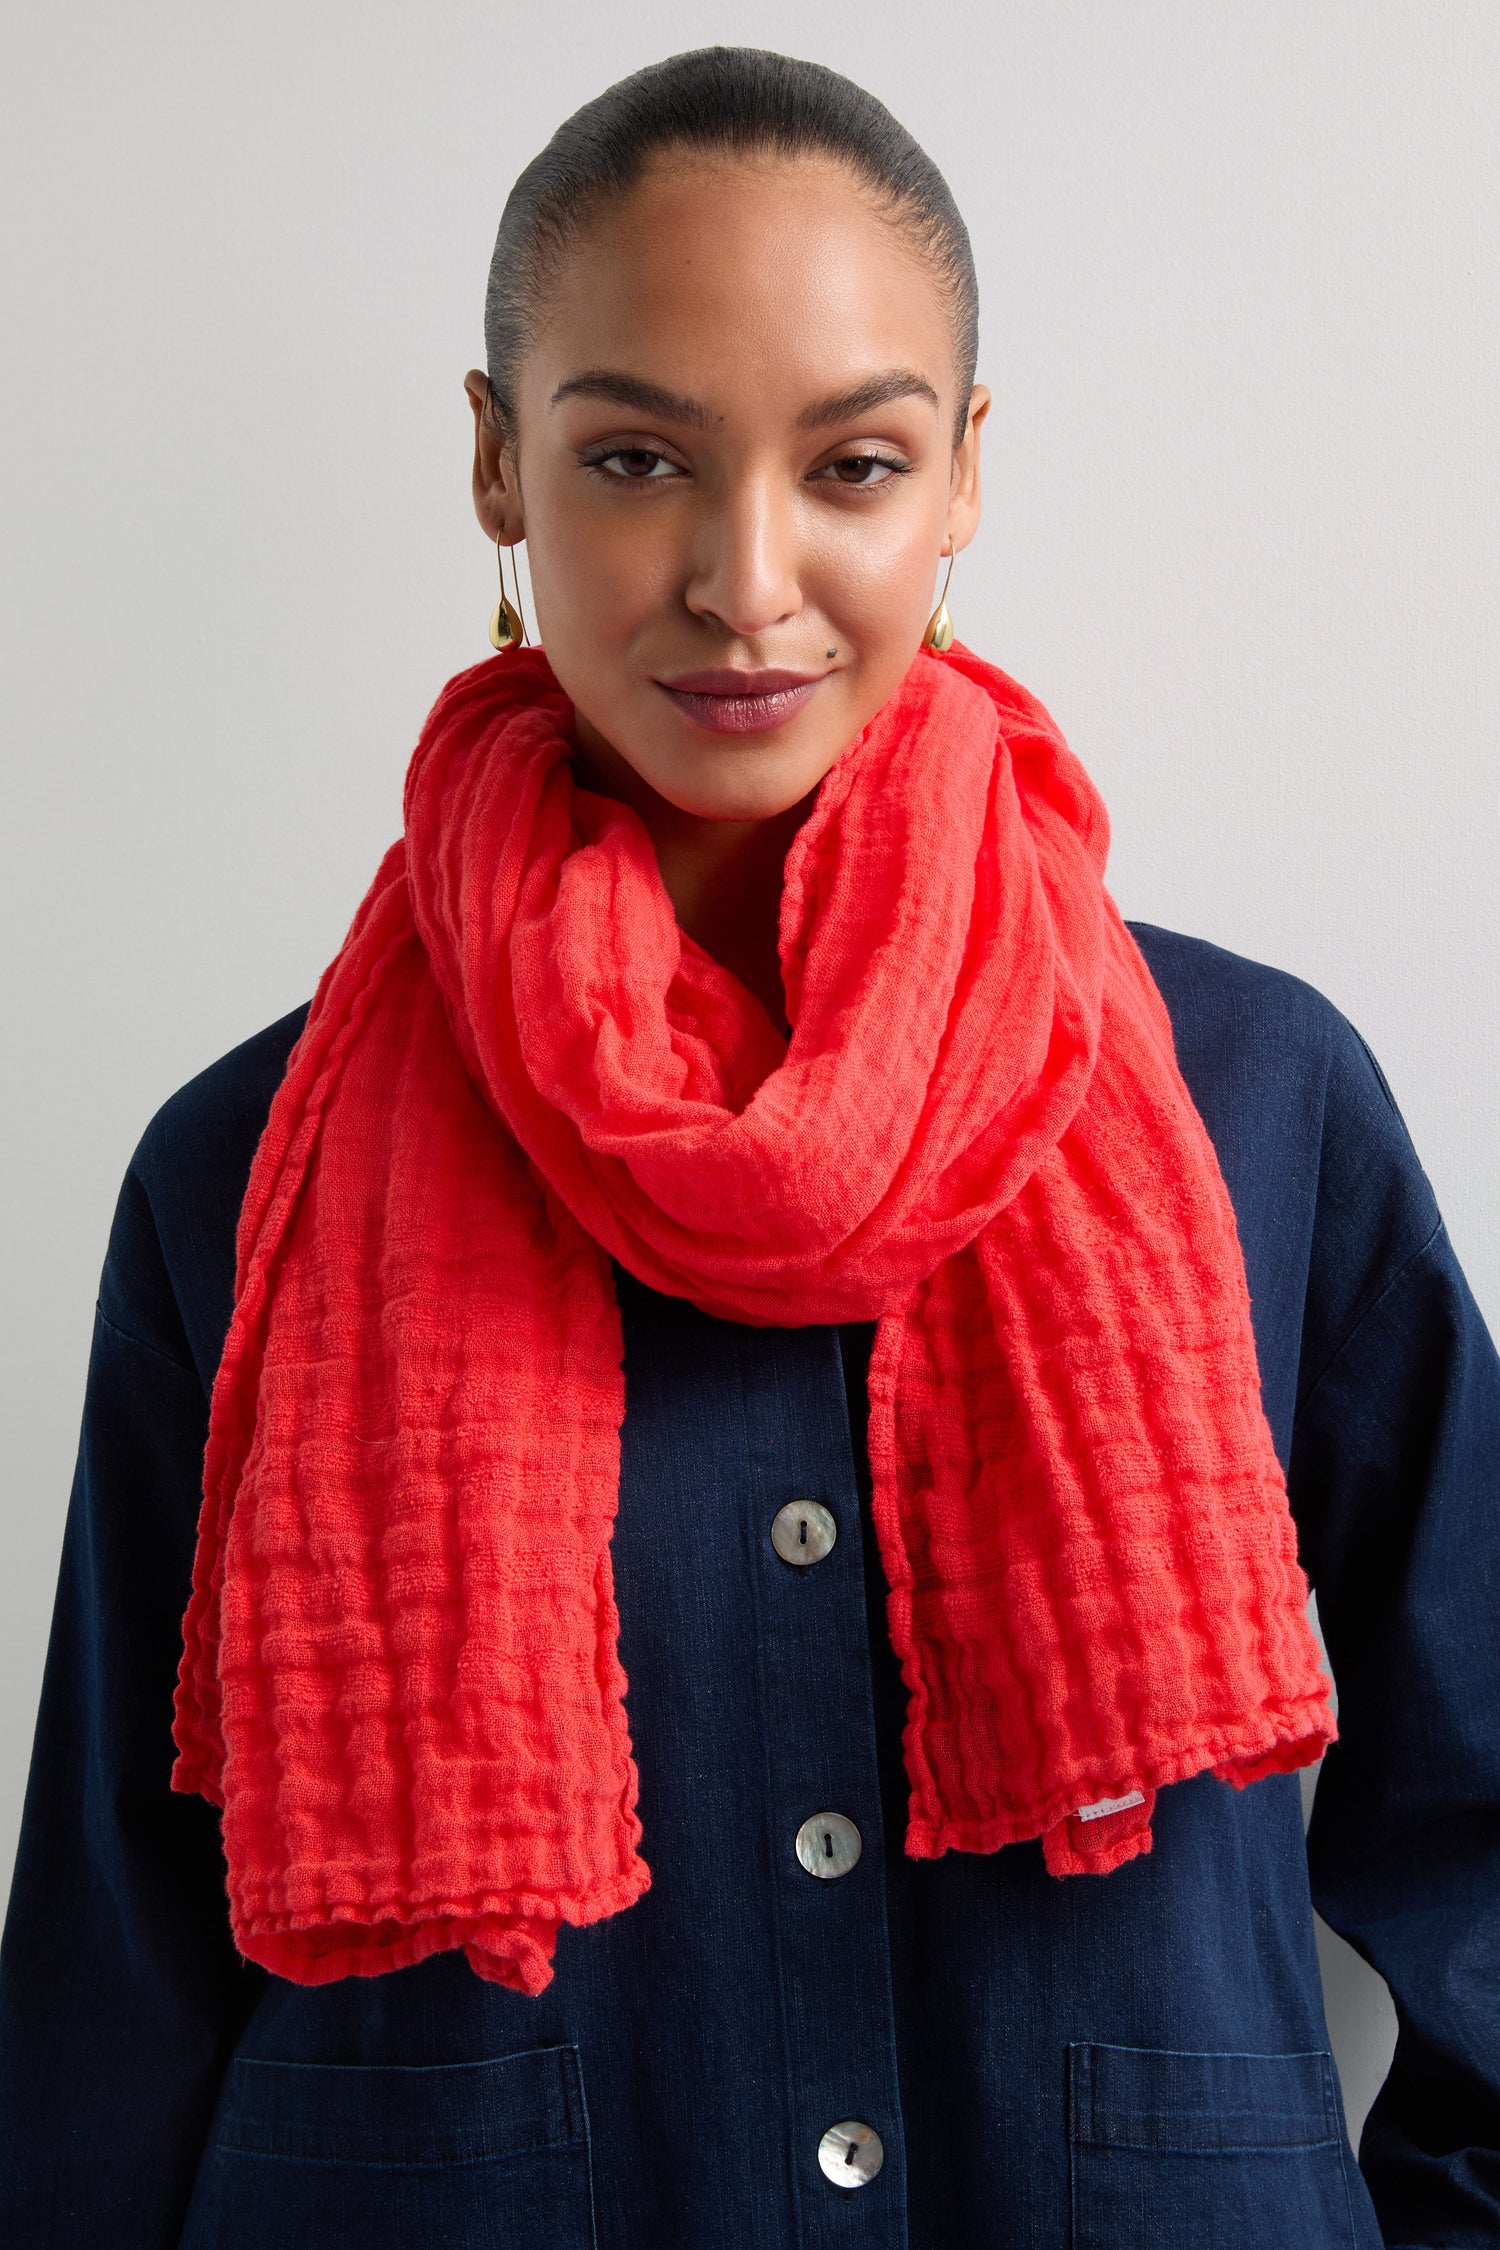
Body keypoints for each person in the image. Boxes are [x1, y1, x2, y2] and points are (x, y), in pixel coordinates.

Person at [1, 43, 1496, 2250]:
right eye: (635, 458)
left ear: (964, 479)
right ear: (500, 463)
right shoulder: (245, 1171)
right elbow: (118, 1974)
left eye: (857, 462)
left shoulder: (1256, 1095)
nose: (747, 580)